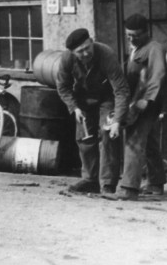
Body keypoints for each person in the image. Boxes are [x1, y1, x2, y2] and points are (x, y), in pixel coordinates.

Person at [55, 28, 130, 196]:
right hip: (82, 100)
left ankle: (107, 184)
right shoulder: (66, 58)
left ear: (91, 41)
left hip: (106, 98)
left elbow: (121, 90)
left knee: (108, 134)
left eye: (87, 47)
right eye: (80, 51)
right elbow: (63, 86)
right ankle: (90, 180)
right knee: (84, 137)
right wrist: (74, 107)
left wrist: (117, 120)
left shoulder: (106, 54)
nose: (86, 53)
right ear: (73, 53)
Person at [113, 14, 167, 201]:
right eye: (128, 35)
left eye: (135, 35)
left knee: (133, 141)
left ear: (146, 32)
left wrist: (146, 100)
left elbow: (157, 75)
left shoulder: (154, 49)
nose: (131, 38)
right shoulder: (136, 49)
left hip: (147, 104)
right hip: (136, 100)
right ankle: (156, 183)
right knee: (150, 143)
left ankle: (129, 188)